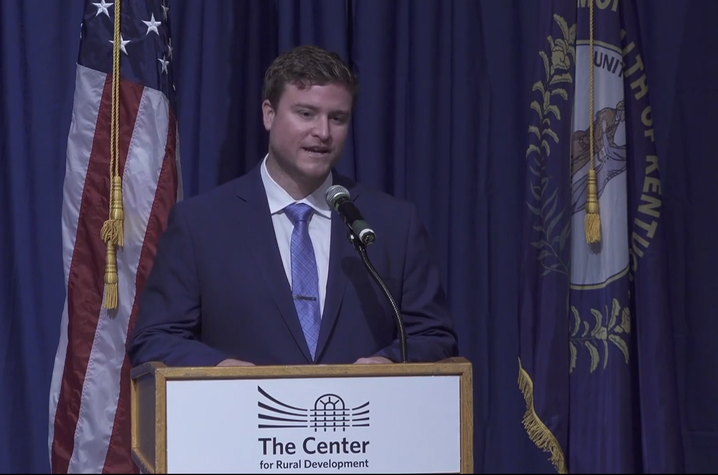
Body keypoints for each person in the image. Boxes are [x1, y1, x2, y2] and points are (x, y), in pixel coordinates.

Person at [126, 45, 458, 368]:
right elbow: (155, 338)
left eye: (337, 118)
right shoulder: (201, 225)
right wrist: (221, 368)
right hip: (244, 418)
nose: (323, 132)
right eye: (306, 114)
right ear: (268, 114)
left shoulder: (392, 224)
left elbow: (433, 335)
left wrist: (385, 362)